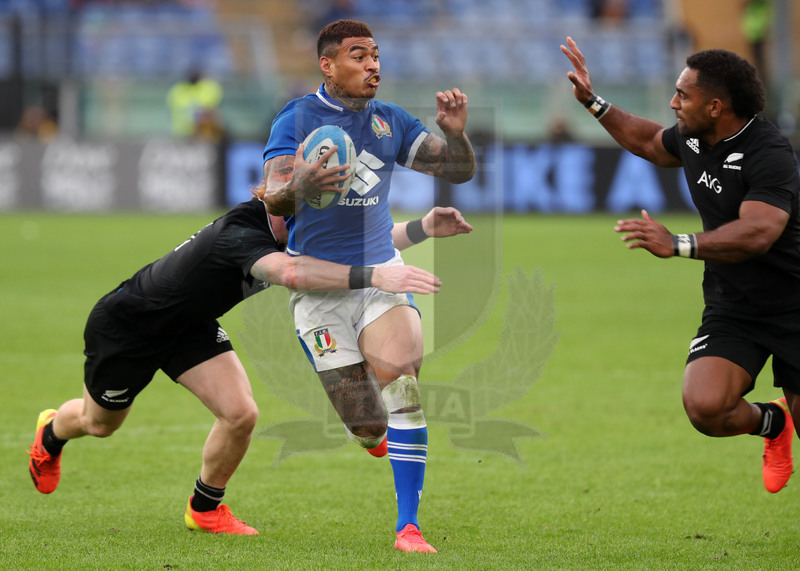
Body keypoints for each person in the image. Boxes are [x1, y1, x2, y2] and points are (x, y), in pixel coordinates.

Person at [27, 185, 473, 535]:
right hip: (128, 327)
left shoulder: (293, 229)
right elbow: (291, 273)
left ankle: (204, 509)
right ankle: (50, 433)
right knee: (100, 423)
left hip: (191, 327)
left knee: (240, 414)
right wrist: (378, 275)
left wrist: (422, 228)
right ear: (285, 213)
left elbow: (354, 247)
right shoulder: (243, 234)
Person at [260, 19, 476, 553]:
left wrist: (455, 134)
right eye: (359, 56)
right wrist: (301, 184)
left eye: (376, 55)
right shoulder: (297, 118)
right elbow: (273, 195)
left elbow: (460, 171)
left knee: (403, 380)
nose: (373, 65)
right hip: (318, 287)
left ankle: (408, 527)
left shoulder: (390, 121)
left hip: (383, 276)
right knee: (366, 425)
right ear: (327, 65)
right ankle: (377, 435)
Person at [562, 37, 799, 493]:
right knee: (706, 407)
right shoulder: (693, 136)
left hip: (794, 303)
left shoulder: (769, 152)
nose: (673, 102)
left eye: (682, 95)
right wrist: (593, 102)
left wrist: (680, 244)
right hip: (736, 305)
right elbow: (650, 142)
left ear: (715, 106)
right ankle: (772, 423)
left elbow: (759, 232)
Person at [166, 70, 223, 138]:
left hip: (201, 133)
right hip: (181, 132)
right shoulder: (177, 90)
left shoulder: (209, 88)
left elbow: (211, 110)